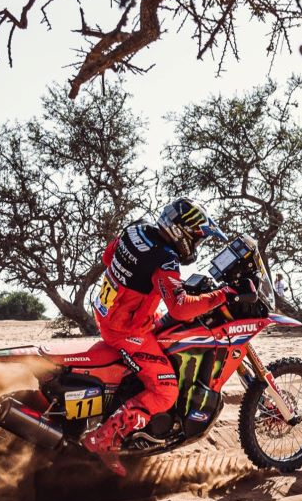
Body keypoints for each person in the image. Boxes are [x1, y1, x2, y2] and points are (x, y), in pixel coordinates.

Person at [80, 197, 228, 465]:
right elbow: (181, 308)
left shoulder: (135, 229)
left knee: (169, 332)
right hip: (125, 329)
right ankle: (104, 439)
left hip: (109, 313)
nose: (196, 245)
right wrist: (222, 295)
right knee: (166, 390)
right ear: (181, 232)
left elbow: (108, 255)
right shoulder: (165, 258)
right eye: (196, 238)